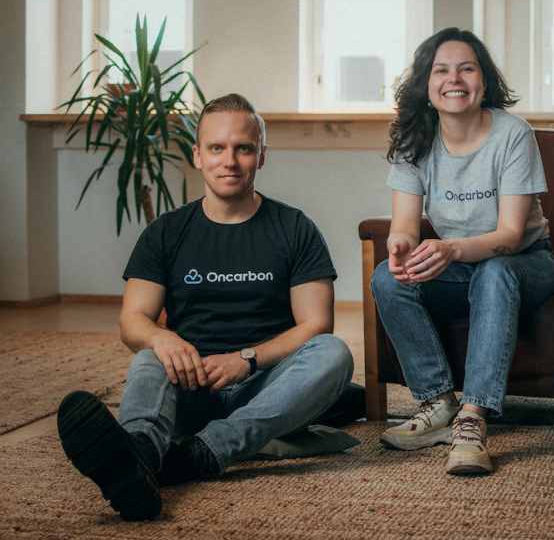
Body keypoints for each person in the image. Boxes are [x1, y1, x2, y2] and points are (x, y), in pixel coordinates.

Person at [56, 93, 359, 520]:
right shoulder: (165, 232)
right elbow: (132, 320)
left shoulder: (295, 228)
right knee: (149, 357)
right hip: (189, 385)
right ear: (198, 155)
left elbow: (316, 325)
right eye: (217, 148)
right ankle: (140, 449)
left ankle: (195, 455)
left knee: (334, 354)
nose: (229, 161)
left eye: (243, 148)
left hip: (267, 389)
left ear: (261, 155)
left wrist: (246, 360)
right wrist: (162, 338)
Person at [371, 27, 554, 475]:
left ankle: (473, 418)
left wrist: (451, 250)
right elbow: (405, 225)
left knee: (495, 270)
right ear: (426, 82)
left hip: (529, 263)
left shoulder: (512, 134)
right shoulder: (413, 138)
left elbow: (510, 236)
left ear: (484, 79)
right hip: (462, 266)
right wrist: (401, 246)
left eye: (466, 69)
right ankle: (438, 404)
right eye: (441, 70)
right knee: (386, 277)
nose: (454, 79)